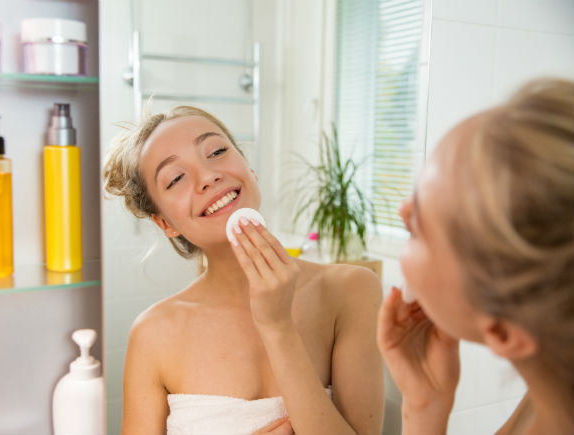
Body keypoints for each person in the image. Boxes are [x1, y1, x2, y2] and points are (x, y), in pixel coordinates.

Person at [103, 106, 384, 435]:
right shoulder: (153, 333)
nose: (208, 177)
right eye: (176, 178)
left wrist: (278, 327)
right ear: (165, 223)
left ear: (250, 169)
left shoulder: (352, 291)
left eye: (217, 151)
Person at [377, 78, 574, 435]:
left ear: (502, 330)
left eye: (417, 229)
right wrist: (425, 406)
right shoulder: (549, 398)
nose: (401, 209)